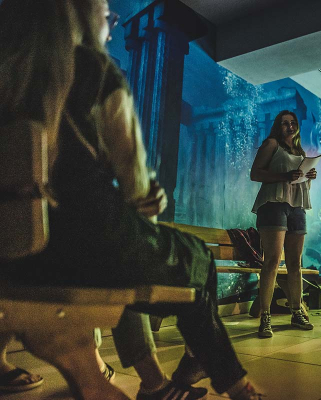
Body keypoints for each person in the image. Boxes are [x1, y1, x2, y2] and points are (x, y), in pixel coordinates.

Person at [0, 1, 260, 399]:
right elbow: (138, 186)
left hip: (19, 259)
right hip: (87, 249)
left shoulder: (9, 75)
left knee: (133, 254)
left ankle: (179, 373)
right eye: (106, 12)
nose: (111, 21)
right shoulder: (96, 71)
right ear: (83, 15)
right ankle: (225, 378)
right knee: (197, 258)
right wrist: (149, 198)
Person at [250, 110, 317, 338]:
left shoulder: (300, 152)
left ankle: (297, 312)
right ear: (278, 127)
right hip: (273, 204)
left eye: (293, 122)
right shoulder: (271, 144)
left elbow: (298, 181)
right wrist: (285, 176)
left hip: (297, 207)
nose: (290, 126)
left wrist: (308, 176)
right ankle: (265, 317)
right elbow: (255, 174)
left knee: (295, 263)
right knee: (271, 261)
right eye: (284, 123)